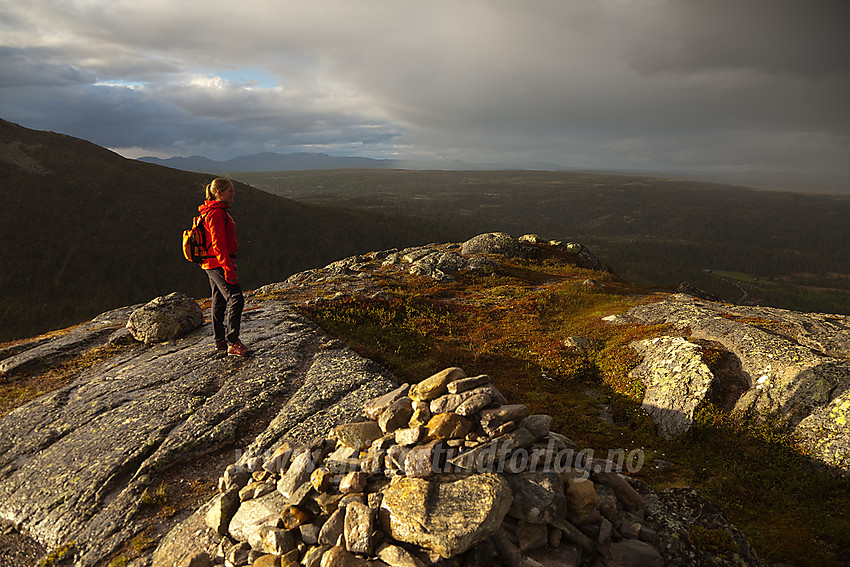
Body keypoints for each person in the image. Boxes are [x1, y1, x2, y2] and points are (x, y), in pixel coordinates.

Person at [198, 177, 251, 356]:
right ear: (219, 193)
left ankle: (220, 340)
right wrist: (228, 268)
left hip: (212, 263)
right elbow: (219, 245)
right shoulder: (216, 213)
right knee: (236, 298)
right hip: (217, 263)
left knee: (219, 300)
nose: (233, 194)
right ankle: (233, 342)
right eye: (230, 190)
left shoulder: (215, 211)